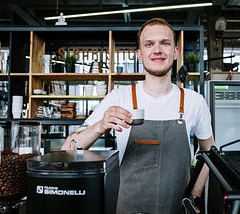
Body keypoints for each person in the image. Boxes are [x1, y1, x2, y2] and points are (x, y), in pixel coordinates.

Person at [61, 17, 215, 214]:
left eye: (165, 43)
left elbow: (209, 154)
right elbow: (67, 151)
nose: (157, 50)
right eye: (149, 44)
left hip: (178, 208)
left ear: (176, 52)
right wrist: (100, 125)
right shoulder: (119, 97)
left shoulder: (194, 102)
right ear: (139, 54)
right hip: (128, 208)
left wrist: (193, 197)